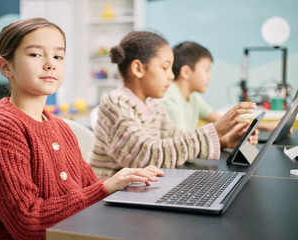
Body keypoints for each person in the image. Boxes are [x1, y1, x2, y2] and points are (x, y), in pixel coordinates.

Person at [0, 18, 163, 240]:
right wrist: (106, 188)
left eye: (58, 56)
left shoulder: (60, 127)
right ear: (6, 66)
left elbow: (90, 186)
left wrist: (127, 186)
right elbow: (28, 225)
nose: (50, 63)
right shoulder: (0, 130)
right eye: (35, 54)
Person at [89, 31, 256, 180]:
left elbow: (178, 142)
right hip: (113, 199)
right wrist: (215, 130)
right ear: (138, 68)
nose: (171, 75)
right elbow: (145, 157)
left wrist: (224, 141)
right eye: (165, 67)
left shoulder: (153, 107)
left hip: (140, 190)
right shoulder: (114, 104)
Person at [159, 41, 276, 132]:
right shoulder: (170, 101)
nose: (209, 76)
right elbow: (183, 144)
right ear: (186, 72)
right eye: (206, 70)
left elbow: (224, 120)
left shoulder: (192, 97)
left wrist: (268, 127)